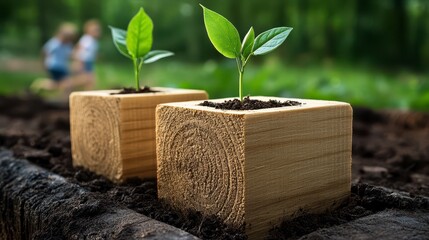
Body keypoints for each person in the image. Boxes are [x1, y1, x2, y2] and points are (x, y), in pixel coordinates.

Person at [72, 19, 101, 90]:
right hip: (84, 62)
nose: (97, 32)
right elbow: (80, 50)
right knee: (87, 79)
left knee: (89, 81)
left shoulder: (93, 41)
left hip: (89, 62)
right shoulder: (87, 39)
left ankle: (87, 94)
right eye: (95, 30)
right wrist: (78, 62)